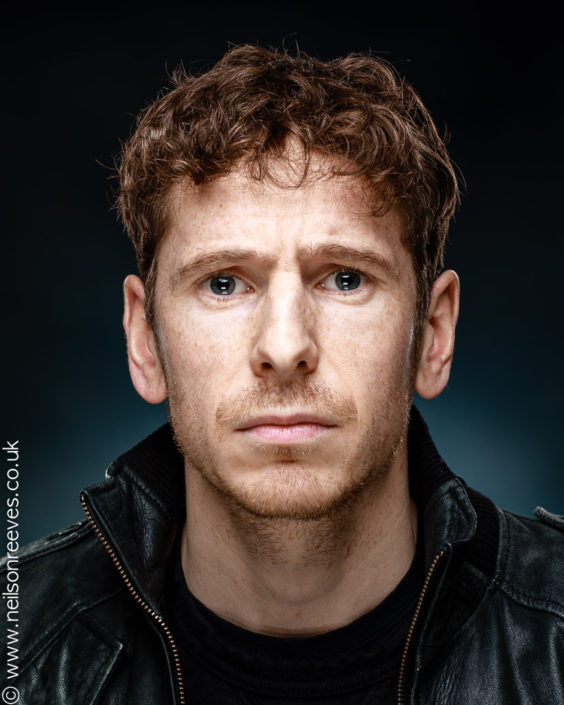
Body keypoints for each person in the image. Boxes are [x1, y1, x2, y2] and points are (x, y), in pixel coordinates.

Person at [2, 44, 563, 705]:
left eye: (345, 278)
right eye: (223, 282)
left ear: (432, 335)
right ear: (144, 339)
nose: (286, 344)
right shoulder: (21, 650)